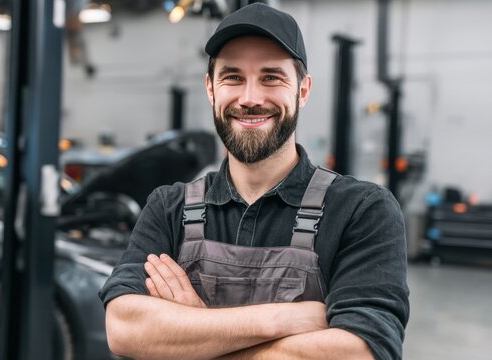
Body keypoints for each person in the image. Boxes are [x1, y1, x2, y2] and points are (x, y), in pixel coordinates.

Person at [99, 3, 409, 359]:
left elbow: (361, 353)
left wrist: (191, 336)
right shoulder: (169, 207)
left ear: (303, 91)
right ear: (211, 89)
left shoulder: (361, 210)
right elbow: (124, 328)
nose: (250, 99)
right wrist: (283, 319)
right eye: (233, 77)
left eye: (271, 77)